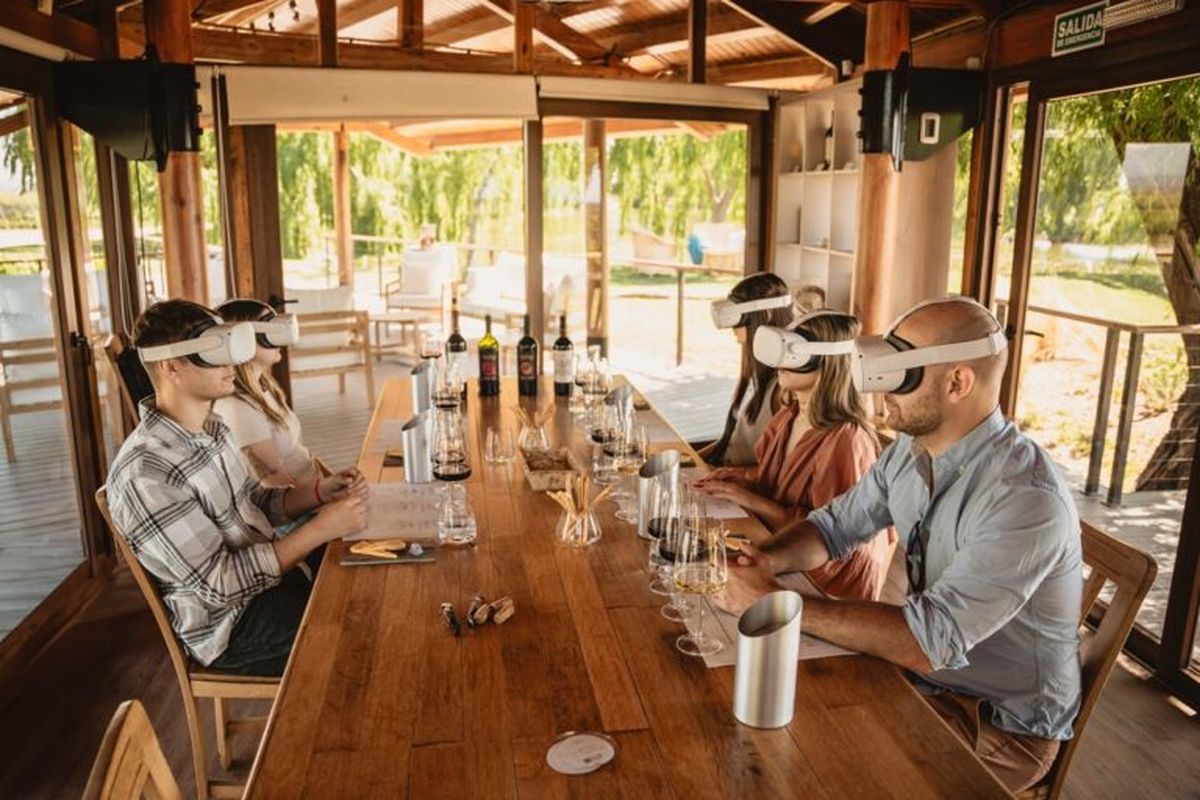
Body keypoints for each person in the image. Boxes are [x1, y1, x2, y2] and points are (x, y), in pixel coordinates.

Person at [718, 297, 1081, 793]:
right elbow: (832, 527)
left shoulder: (1023, 499)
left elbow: (928, 641)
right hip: (923, 678)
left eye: (899, 373)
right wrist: (767, 559)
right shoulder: (910, 451)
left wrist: (775, 603)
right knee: (759, 726)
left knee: (810, 771)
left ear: (957, 382)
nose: (878, 387)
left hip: (997, 722)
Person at [106, 299, 369, 676]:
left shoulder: (214, 428)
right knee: (363, 633)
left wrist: (318, 493)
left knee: (372, 585)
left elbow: (253, 503)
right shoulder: (147, 474)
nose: (232, 363)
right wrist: (320, 529)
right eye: (215, 352)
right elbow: (221, 584)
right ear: (170, 366)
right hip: (233, 627)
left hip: (272, 583)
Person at [695, 310, 894, 601]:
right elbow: (778, 480)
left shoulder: (847, 440)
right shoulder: (787, 417)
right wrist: (743, 478)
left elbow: (828, 532)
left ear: (827, 362)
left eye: (793, 353)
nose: (780, 362)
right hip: (775, 544)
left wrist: (749, 498)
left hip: (827, 580)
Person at [212, 298, 320, 488]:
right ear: (241, 340)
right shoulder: (239, 408)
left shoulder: (263, 385)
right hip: (307, 500)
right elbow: (276, 489)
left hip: (318, 487)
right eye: (269, 330)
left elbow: (294, 450)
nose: (279, 337)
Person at [699, 273, 794, 466]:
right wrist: (689, 460)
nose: (732, 328)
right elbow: (731, 442)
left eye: (738, 319)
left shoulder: (784, 389)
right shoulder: (756, 374)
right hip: (722, 475)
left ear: (766, 314)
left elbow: (779, 469)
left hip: (735, 482)